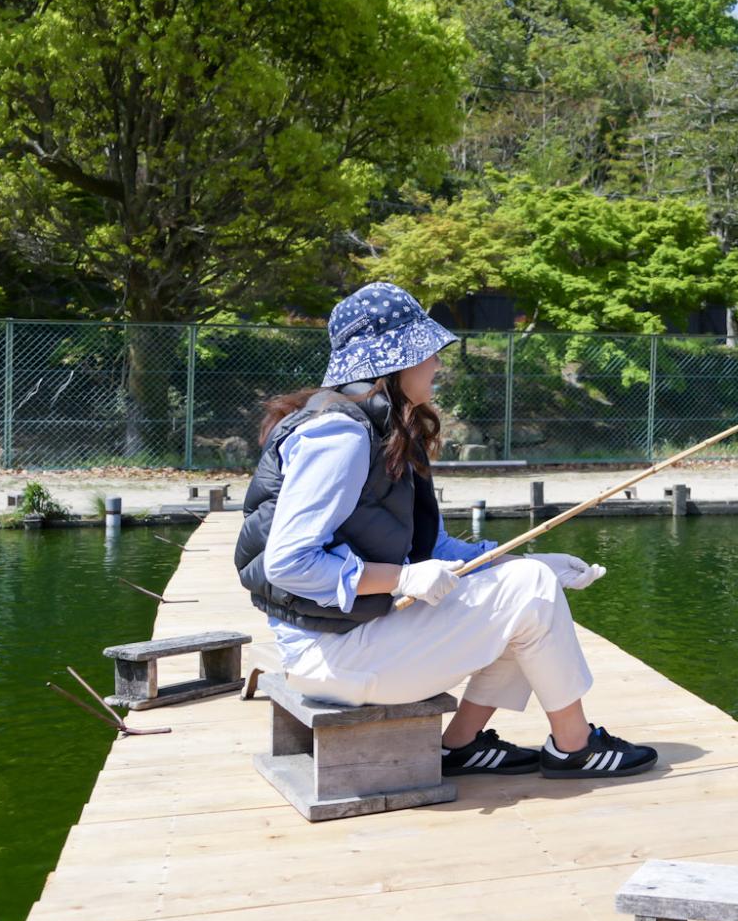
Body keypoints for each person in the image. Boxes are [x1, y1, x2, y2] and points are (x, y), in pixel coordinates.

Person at [232, 281, 657, 780]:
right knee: (529, 595)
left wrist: (524, 563)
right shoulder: (341, 434)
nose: (436, 362)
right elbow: (289, 563)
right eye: (425, 352)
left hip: (348, 640)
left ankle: (460, 745)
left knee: (527, 591)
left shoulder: (380, 426)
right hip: (331, 657)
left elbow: (432, 550)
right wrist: (402, 580)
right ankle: (575, 747)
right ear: (392, 362)